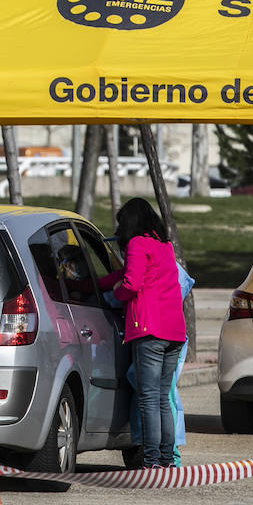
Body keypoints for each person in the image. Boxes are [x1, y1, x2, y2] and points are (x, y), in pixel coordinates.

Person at [99, 197, 187, 468]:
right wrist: (93, 283)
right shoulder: (163, 247)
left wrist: (112, 295)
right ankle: (165, 460)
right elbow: (125, 272)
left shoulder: (137, 243)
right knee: (162, 397)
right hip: (174, 332)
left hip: (149, 331)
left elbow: (130, 283)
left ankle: (151, 461)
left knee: (148, 398)